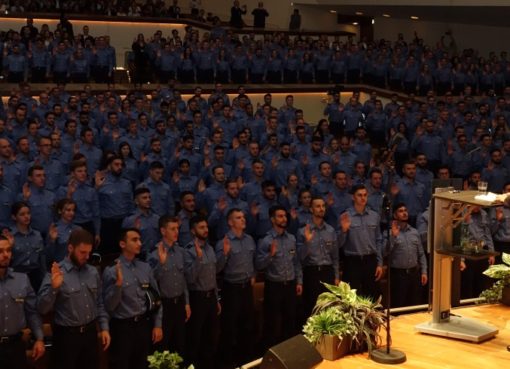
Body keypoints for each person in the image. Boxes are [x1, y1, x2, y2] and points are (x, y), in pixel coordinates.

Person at [37, 229, 110, 369]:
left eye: (89, 252)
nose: (87, 257)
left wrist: (104, 328)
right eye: (82, 252)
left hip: (90, 334)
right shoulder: (56, 272)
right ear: (70, 248)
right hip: (66, 337)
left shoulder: (93, 272)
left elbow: (100, 302)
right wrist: (54, 288)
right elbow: (42, 308)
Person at [102, 228, 163, 369]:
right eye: (134, 240)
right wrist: (118, 286)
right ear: (122, 244)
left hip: (143, 325)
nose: (140, 243)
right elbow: (108, 306)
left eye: (140, 240)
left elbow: (156, 298)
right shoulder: (111, 270)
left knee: (142, 364)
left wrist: (158, 324)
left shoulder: (145, 267)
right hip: (122, 328)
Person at [256, 205, 302, 348]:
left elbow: (296, 262)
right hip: (274, 286)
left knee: (290, 319)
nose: (284, 219)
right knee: (271, 321)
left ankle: (289, 351)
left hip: (290, 284)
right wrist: (270, 255)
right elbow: (258, 265)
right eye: (280, 216)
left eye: (284, 216)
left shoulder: (291, 238)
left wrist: (299, 281)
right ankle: (268, 353)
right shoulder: (266, 240)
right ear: (272, 219)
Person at [215, 208, 256, 368]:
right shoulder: (224, 242)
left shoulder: (250, 240)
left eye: (243, 217)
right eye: (238, 218)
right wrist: (224, 254)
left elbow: (252, 261)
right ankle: (228, 362)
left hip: (246, 288)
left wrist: (252, 274)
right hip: (231, 289)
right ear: (231, 222)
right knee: (230, 327)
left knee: (247, 325)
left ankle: (247, 360)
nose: (243, 219)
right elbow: (217, 268)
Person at [0, 234, 45, 369]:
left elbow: (31, 312)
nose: (6, 255)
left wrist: (39, 338)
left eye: (8, 250)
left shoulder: (22, 279)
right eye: (1, 252)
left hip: (16, 346)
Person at [148, 216, 189, 357]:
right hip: (164, 306)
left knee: (180, 345)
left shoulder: (180, 252)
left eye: (177, 228)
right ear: (163, 231)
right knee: (163, 347)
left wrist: (187, 303)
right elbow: (151, 284)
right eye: (172, 229)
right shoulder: (154, 254)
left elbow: (183, 279)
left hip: (179, 302)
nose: (176, 231)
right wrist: (162, 263)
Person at [184, 215, 220, 369]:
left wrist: (217, 298)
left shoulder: (210, 248)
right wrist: (198, 259)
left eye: (206, 227)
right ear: (193, 231)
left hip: (211, 296)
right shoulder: (188, 251)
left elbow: (213, 276)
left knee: (211, 336)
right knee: (195, 338)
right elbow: (190, 279)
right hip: (197, 298)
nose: (206, 230)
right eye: (201, 227)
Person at [339, 184, 384, 300]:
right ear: (353, 197)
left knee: (372, 297)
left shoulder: (374, 216)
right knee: (351, 299)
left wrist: (379, 263)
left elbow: (378, 240)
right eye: (359, 195)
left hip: (370, 260)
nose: (363, 198)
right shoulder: (345, 216)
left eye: (365, 195)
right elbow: (339, 244)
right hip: (352, 262)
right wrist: (343, 231)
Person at [297, 197, 339, 318]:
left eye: (323, 206)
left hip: (328, 272)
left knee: (329, 309)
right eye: (318, 206)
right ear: (311, 209)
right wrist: (308, 242)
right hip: (311, 273)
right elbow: (299, 258)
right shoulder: (302, 231)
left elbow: (335, 256)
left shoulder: (330, 230)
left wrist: (336, 276)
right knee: (312, 309)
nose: (321, 209)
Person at [389, 203, 428, 307]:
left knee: (415, 305)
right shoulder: (389, 233)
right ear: (395, 215)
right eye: (400, 211)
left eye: (405, 210)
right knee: (399, 305)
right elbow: (385, 252)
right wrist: (393, 237)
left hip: (414, 274)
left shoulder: (414, 232)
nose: (404, 213)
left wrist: (424, 272)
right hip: (398, 275)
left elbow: (421, 254)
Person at [8, 201, 46, 291]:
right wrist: (9, 246)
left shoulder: (37, 235)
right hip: (16, 274)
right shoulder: (9, 236)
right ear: (14, 217)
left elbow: (42, 257)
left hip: (35, 275)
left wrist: (44, 277)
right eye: (22, 214)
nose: (26, 216)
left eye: (28, 213)